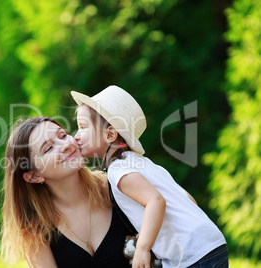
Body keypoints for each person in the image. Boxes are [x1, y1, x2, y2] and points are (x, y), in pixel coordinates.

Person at [71, 85, 229, 268]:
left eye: (82, 127)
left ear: (110, 134)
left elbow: (155, 201)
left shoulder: (118, 170)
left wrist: (143, 248)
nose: (76, 136)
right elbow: (189, 199)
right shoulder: (144, 163)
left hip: (193, 255)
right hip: (209, 241)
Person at [0, 117, 135, 268]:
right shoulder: (34, 231)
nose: (65, 145)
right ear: (34, 176)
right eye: (48, 149)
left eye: (63, 135)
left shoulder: (117, 186)